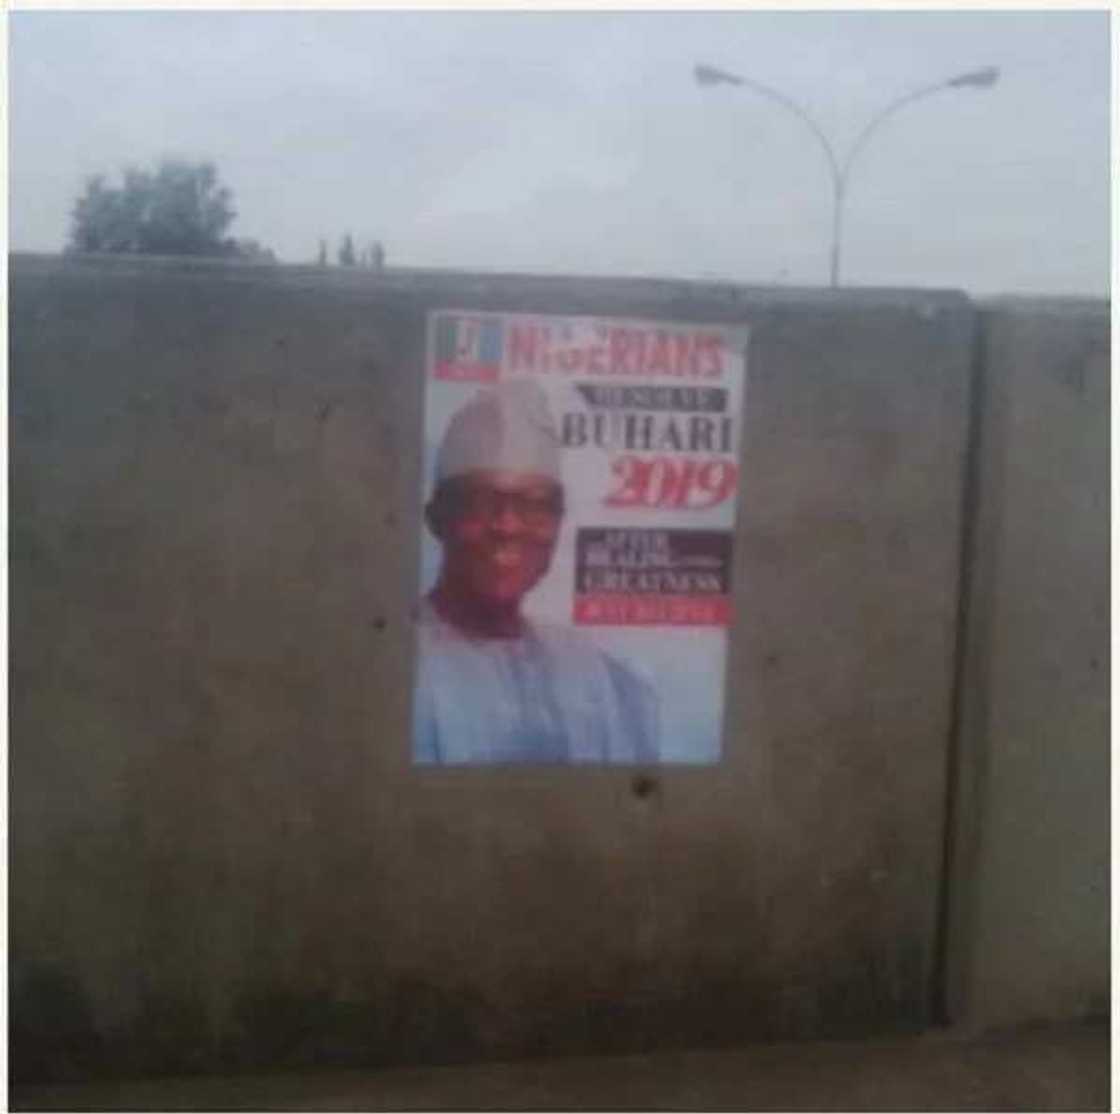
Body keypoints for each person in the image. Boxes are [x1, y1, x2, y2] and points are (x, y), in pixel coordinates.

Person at [414, 379, 659, 765]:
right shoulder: (394, 663)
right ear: (436, 518)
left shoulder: (596, 675)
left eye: (534, 505)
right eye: (481, 502)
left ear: (558, 524)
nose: (508, 526)